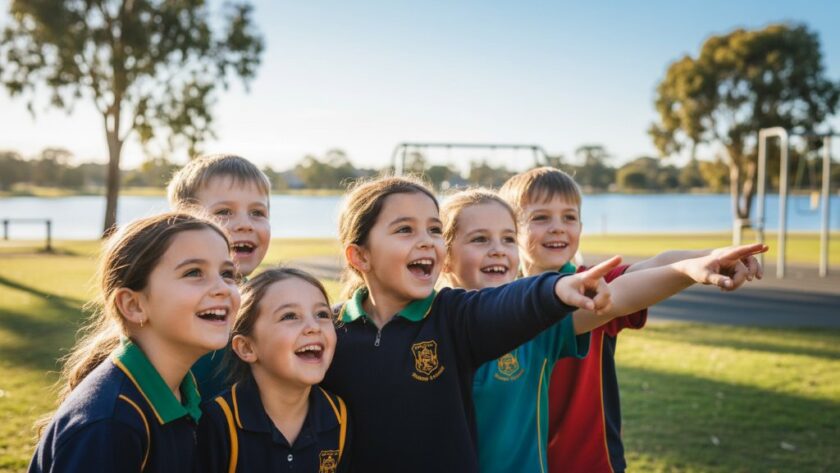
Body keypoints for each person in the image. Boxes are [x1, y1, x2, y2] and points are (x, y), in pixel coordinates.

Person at [440, 187, 765, 473]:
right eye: (480, 238)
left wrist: (695, 266)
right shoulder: (428, 327)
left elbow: (629, 288)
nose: (497, 249)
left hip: (588, 460)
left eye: (506, 238)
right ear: (445, 258)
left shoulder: (541, 320)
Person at [320, 175, 621, 473]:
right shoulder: (328, 330)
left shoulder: (451, 317)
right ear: (359, 255)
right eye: (405, 229)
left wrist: (554, 290)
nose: (426, 241)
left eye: (434, 229)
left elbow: (507, 303)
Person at [29, 213, 240, 473]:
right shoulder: (112, 423)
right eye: (194, 272)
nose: (223, 288)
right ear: (134, 305)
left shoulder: (183, 391)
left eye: (228, 273)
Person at [197, 268, 351, 473]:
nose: (313, 327)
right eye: (289, 316)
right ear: (247, 348)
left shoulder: (338, 416)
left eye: (322, 314)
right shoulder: (218, 421)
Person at [167, 153, 272, 399]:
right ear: (184, 221)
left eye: (258, 213)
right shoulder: (174, 297)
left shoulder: (266, 300)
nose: (245, 224)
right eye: (224, 211)